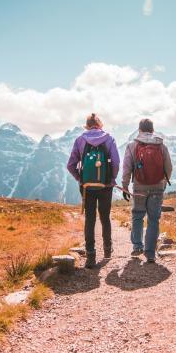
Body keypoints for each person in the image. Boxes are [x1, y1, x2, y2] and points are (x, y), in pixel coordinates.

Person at [67, 113, 120, 268]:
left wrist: (80, 179)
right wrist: (111, 178)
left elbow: (71, 165)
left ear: (87, 126)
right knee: (105, 217)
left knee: (90, 219)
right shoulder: (109, 138)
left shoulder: (79, 140)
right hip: (106, 186)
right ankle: (108, 250)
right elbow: (116, 162)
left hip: (87, 186)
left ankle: (90, 256)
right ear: (100, 125)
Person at [121, 118, 172, 263]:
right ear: (153, 130)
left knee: (137, 215)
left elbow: (127, 168)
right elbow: (169, 167)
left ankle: (137, 246)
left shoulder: (132, 145)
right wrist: (162, 182)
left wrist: (125, 186)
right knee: (153, 219)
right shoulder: (161, 146)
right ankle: (150, 253)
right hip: (157, 187)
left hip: (139, 187)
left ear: (139, 130)